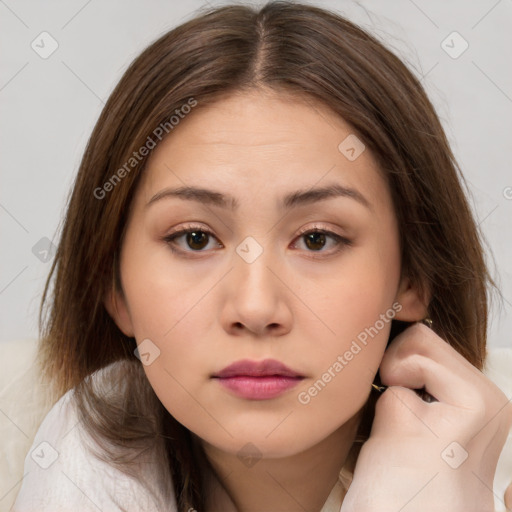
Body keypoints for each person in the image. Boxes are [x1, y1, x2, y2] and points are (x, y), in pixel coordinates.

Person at [11, 1, 512, 511]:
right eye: (195, 239)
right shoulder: (62, 463)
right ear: (113, 285)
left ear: (412, 275)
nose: (255, 308)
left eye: (317, 239)